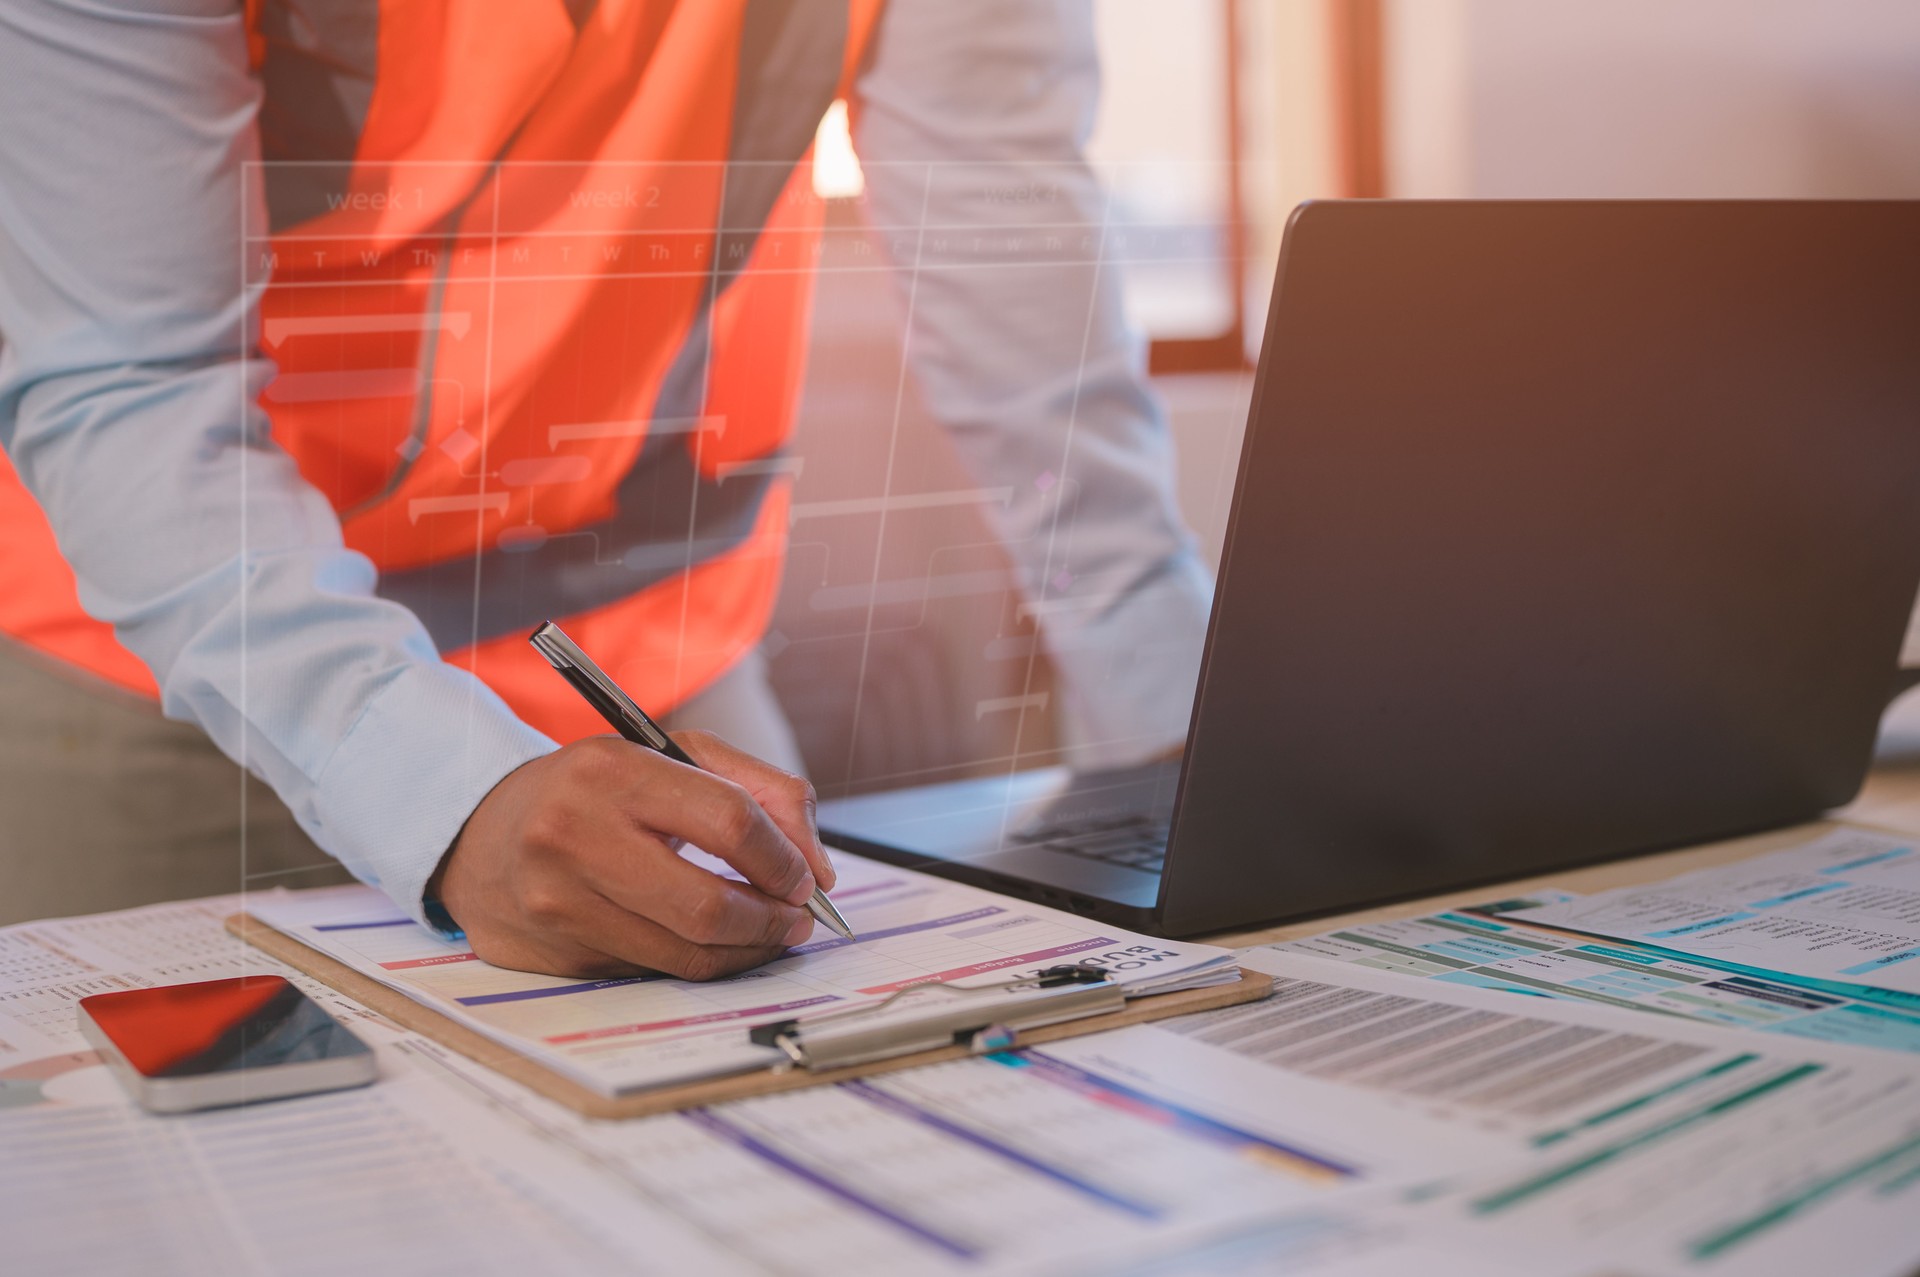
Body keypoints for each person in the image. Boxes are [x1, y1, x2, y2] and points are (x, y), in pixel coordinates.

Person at [0, 0, 1213, 973]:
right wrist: (438, 786)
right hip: (179, 662)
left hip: (661, 650)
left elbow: (1004, 239)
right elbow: (128, 381)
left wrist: (1179, 721)